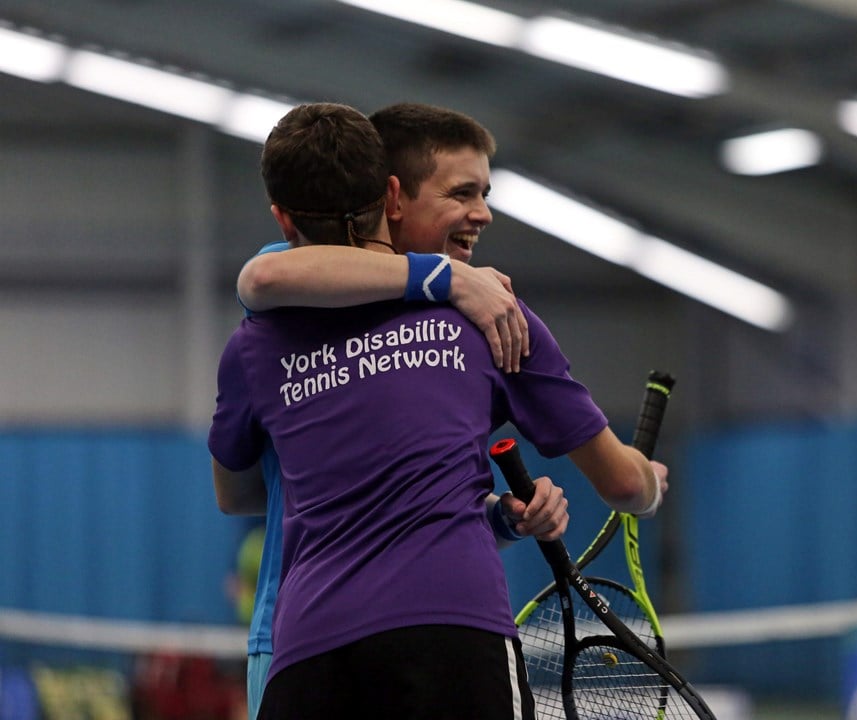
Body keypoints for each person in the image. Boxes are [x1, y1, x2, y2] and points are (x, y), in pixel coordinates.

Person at [209, 102, 667, 719]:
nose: (483, 212)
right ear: (390, 196)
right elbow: (622, 481)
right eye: (462, 192)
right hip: (451, 631)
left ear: (283, 215)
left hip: (309, 647)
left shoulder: (259, 337)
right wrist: (647, 481)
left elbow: (240, 491)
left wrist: (493, 516)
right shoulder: (488, 312)